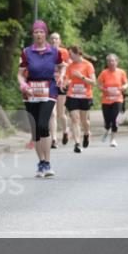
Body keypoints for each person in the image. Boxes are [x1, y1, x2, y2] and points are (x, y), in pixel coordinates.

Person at [19, 21, 65, 177]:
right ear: (33, 34)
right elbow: (20, 74)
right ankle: (41, 162)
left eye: (41, 32)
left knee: (43, 124)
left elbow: (62, 65)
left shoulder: (54, 51)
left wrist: (61, 77)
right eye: (35, 32)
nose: (38, 34)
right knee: (36, 130)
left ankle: (47, 162)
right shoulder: (26, 52)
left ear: (45, 33)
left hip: (49, 90)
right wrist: (24, 85)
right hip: (31, 92)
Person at [64, 45, 96, 153]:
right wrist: (65, 83)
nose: (69, 56)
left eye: (71, 54)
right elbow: (67, 79)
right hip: (72, 95)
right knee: (74, 119)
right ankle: (77, 143)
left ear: (77, 54)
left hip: (85, 96)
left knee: (84, 120)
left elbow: (93, 82)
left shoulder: (88, 65)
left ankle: (87, 133)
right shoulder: (70, 66)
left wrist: (81, 77)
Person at [97, 54, 128, 147]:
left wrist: (123, 87)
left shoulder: (121, 72)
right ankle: (107, 128)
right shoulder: (104, 73)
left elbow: (126, 84)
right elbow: (98, 84)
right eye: (109, 61)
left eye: (113, 61)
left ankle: (113, 139)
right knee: (107, 121)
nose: (111, 63)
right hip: (106, 100)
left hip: (118, 99)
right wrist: (104, 89)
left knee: (115, 118)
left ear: (116, 62)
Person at [49, 32, 70, 148]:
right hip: (50, 84)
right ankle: (54, 139)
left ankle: (65, 131)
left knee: (61, 113)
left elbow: (66, 67)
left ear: (60, 41)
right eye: (52, 39)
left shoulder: (64, 52)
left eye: (56, 39)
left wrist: (64, 79)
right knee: (52, 113)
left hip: (61, 84)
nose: (54, 41)